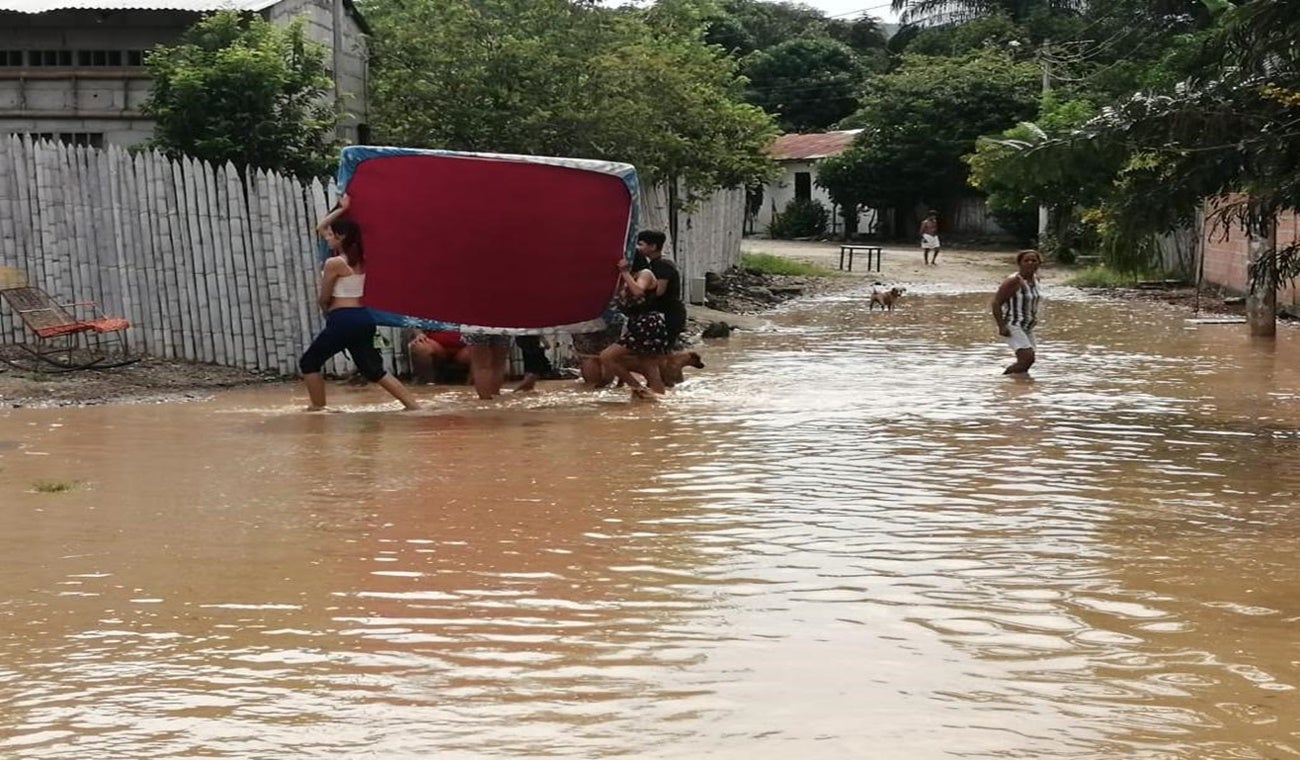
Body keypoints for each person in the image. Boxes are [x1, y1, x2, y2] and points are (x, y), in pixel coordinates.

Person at [298, 194, 420, 411]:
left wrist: (325, 309)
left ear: (342, 236)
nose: (327, 237)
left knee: (309, 363)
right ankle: (413, 407)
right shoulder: (364, 260)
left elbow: (324, 297)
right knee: (374, 370)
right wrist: (342, 210)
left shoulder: (335, 263)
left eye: (331, 235)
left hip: (343, 319)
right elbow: (321, 229)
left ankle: (318, 410)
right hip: (363, 318)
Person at [599, 257, 669, 396]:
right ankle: (657, 400)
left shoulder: (645, 273)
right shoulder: (629, 278)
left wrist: (625, 273)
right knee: (649, 366)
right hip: (640, 323)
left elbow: (638, 291)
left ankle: (638, 389)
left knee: (607, 356)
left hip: (647, 323)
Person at [991, 249, 1043, 375]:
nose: (1030, 263)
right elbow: (996, 303)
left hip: (1027, 325)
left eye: (1033, 260)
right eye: (1026, 261)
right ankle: (1003, 379)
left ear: (1039, 263)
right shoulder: (1013, 281)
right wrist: (1001, 326)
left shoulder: (1036, 280)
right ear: (1020, 263)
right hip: (1013, 324)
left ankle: (1017, 385)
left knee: (1027, 361)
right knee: (1027, 357)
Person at [637, 230, 687, 349]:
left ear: (653, 246)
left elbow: (658, 291)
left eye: (641, 244)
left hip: (669, 315)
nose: (637, 248)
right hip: (667, 313)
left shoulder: (661, 265)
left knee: (662, 353)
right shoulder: (656, 264)